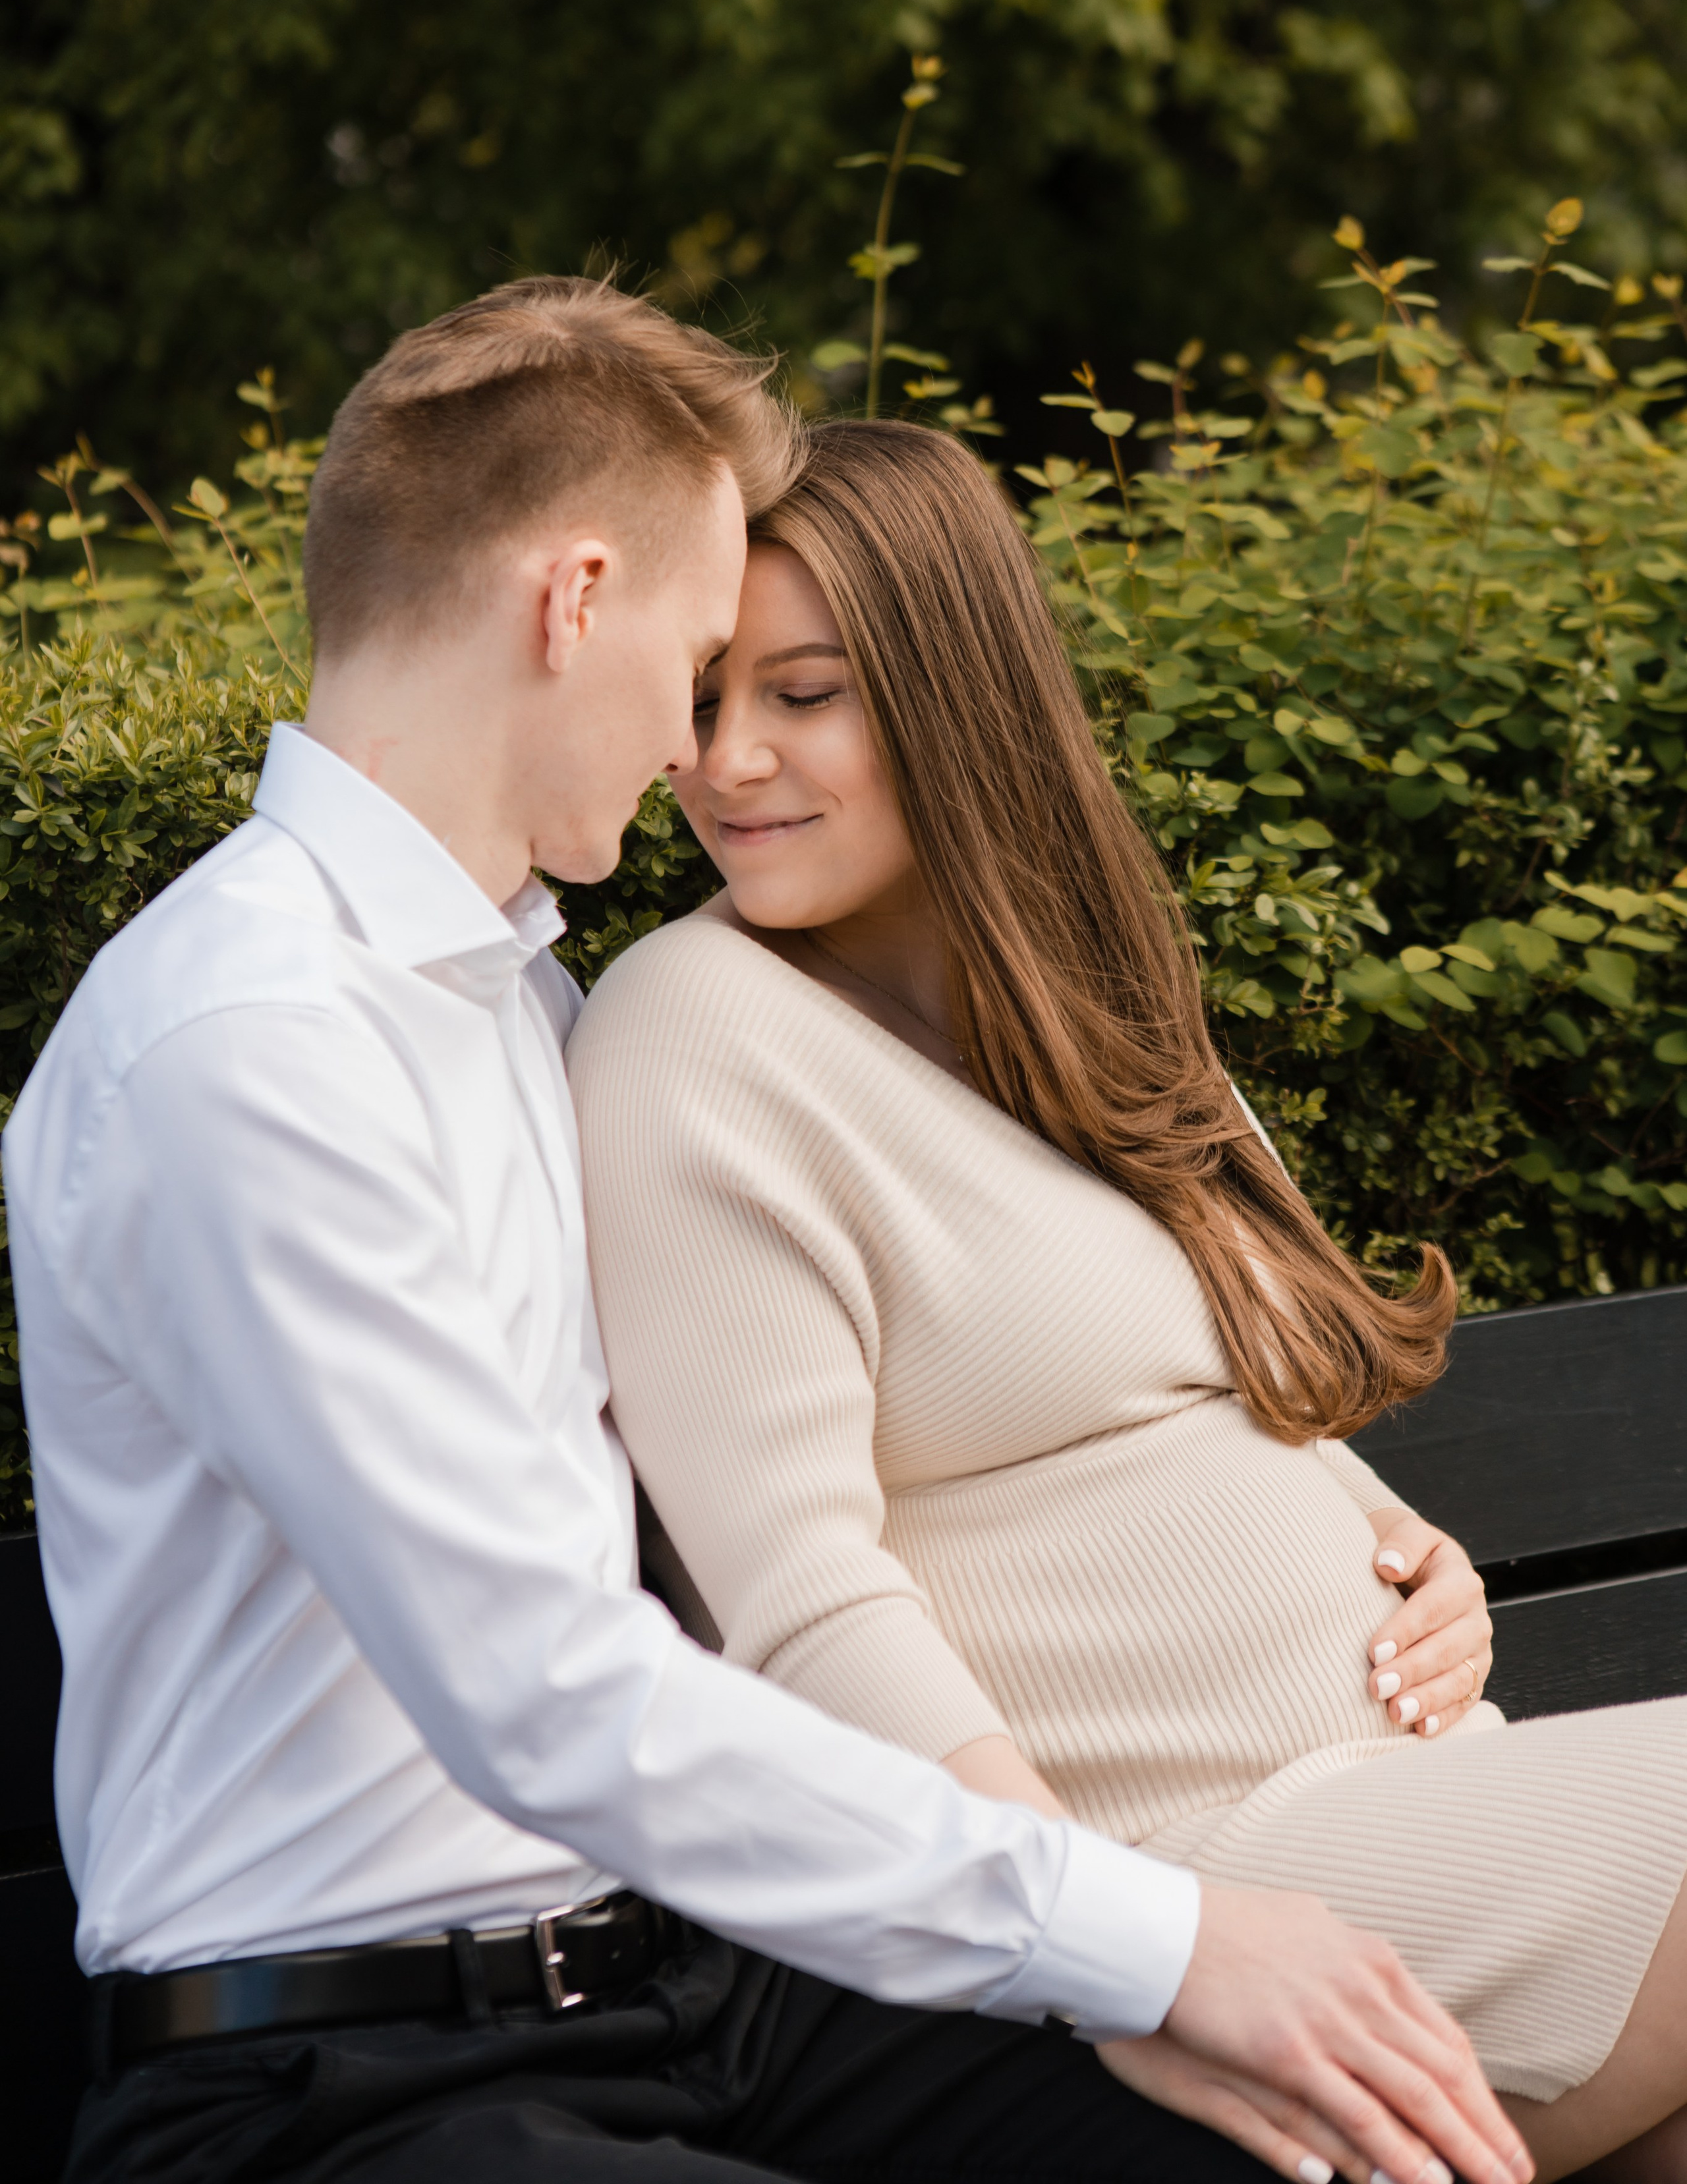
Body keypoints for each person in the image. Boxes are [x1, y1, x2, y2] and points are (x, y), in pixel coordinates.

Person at [5, 284, 1529, 2184]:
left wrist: (1362, 1552)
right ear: (574, 602)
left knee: (1348, 2150)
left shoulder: (516, 1010)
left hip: (717, 1995)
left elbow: (891, 1453)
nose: (698, 749)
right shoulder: (245, 1051)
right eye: (701, 653)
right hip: (345, 2073)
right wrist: (1156, 1942)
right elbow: (544, 1691)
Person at [569, 414, 1687, 2184]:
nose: (728, 762)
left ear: (958, 692)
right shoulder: (690, 1036)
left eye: (806, 694)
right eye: (709, 698)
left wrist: (1408, 1545)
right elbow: (795, 1597)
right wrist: (1113, 1944)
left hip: (1413, 1795)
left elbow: (1240, 1381)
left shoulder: (1097, 1006)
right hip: (1181, 1880)